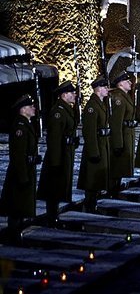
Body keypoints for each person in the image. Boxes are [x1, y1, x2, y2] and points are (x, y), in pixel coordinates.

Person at [37, 81, 78, 226]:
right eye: (72, 93)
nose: (75, 95)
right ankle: (51, 217)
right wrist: (55, 161)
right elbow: (54, 138)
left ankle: (54, 216)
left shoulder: (66, 109)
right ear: (63, 95)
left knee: (59, 186)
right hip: (58, 155)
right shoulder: (58, 112)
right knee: (54, 186)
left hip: (65, 152)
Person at [0, 95, 39, 244]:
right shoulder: (20, 127)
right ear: (23, 109)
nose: (34, 108)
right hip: (20, 172)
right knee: (16, 206)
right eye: (31, 106)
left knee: (21, 206)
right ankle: (13, 235)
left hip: (26, 170)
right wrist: (23, 176)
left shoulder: (25, 124)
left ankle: (16, 234)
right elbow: (18, 154)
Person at [77, 77, 111, 213]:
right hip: (95, 145)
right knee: (91, 179)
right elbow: (89, 131)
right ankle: (89, 205)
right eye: (105, 87)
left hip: (102, 144)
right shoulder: (92, 106)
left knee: (97, 178)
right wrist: (94, 151)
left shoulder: (101, 104)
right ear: (98, 89)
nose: (107, 90)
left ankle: (93, 204)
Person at [108, 71, 136, 197]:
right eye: (127, 81)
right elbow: (116, 122)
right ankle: (112, 189)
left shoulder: (124, 96)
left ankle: (116, 186)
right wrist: (118, 142)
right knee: (117, 164)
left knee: (121, 164)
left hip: (127, 133)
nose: (130, 82)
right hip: (121, 134)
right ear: (120, 83)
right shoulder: (118, 98)